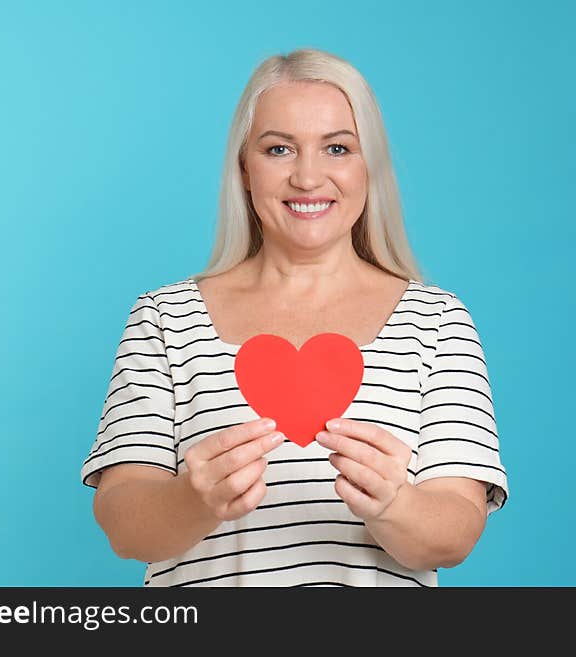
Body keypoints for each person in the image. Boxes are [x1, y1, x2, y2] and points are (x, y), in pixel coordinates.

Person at [80, 48, 509, 587]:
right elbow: (125, 525)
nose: (308, 177)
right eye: (279, 148)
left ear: (368, 167)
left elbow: (455, 533)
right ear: (245, 169)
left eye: (337, 148)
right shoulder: (164, 319)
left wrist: (394, 504)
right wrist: (195, 498)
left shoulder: (438, 321)